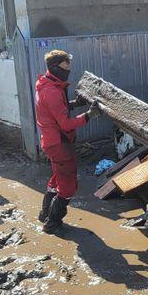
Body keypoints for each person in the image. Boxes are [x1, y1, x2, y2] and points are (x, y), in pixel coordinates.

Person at [35, 50, 101, 234]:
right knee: (68, 185)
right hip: (59, 143)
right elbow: (64, 122)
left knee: (57, 178)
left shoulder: (46, 84)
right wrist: (89, 115)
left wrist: (74, 104)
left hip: (51, 141)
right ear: (55, 67)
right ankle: (52, 223)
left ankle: (45, 213)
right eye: (66, 66)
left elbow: (55, 110)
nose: (69, 70)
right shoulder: (52, 91)